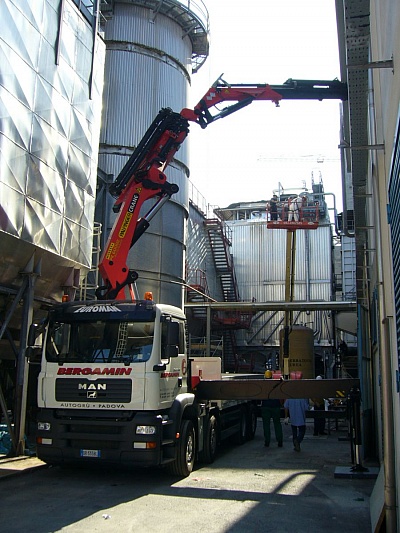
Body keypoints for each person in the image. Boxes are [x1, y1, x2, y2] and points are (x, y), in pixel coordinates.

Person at [261, 372, 283, 447]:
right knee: (277, 424)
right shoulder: (275, 383)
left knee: (266, 425)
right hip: (275, 406)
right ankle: (279, 440)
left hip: (265, 406)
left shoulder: (263, 384)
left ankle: (267, 441)